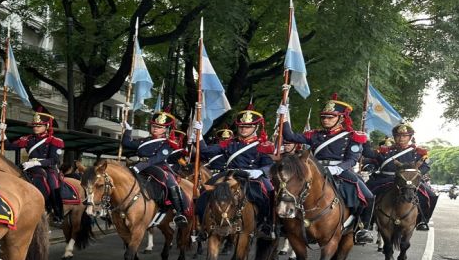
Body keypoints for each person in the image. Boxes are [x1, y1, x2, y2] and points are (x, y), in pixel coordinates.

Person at [280, 93, 376, 244]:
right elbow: (289, 136)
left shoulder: (351, 136)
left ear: (341, 118)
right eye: (324, 117)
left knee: (368, 197)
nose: (326, 120)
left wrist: (338, 169)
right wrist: (284, 117)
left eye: (331, 117)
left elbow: (352, 159)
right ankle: (284, 224)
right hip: (315, 171)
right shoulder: (314, 135)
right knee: (289, 189)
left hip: (341, 171)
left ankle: (363, 229)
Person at [200, 104, 276, 238]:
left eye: (248, 126)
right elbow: (206, 151)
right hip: (229, 175)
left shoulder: (264, 145)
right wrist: (199, 135)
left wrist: (261, 172)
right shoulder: (230, 143)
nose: (244, 129)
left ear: (256, 127)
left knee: (269, 192)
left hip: (251, 176)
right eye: (241, 126)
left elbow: (269, 165)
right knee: (205, 191)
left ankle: (266, 224)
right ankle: (202, 225)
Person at [365, 123, 437, 230]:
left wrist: (416, 174)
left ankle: (422, 221)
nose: (401, 138)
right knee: (365, 194)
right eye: (398, 136)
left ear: (410, 137)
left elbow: (425, 166)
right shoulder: (385, 151)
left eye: (404, 136)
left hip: (410, 180)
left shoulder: (418, 152)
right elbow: (369, 155)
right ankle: (367, 222)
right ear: (394, 137)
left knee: (431, 195)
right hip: (385, 179)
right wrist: (364, 141)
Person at [122, 110, 189, 226]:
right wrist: (128, 130)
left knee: (171, 183)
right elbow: (127, 143)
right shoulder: (144, 140)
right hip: (140, 166)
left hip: (159, 167)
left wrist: (140, 166)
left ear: (165, 129)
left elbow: (157, 158)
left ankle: (179, 213)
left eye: (159, 127)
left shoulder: (168, 143)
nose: (155, 129)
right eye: (154, 126)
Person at [0, 109, 66, 225]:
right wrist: (2, 133)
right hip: (28, 167)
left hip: (47, 168)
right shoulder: (28, 139)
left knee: (53, 185)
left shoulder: (55, 141)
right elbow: (8, 146)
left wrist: (36, 163)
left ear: (47, 126)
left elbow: (54, 160)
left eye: (39, 125)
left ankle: (56, 213)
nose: (35, 128)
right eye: (34, 125)